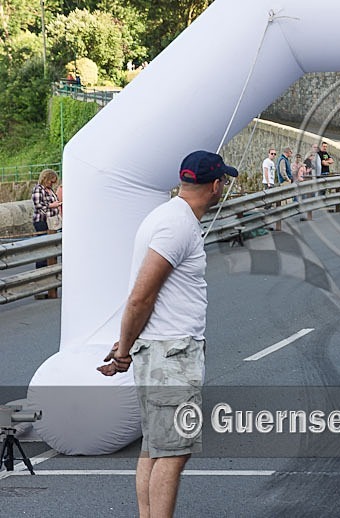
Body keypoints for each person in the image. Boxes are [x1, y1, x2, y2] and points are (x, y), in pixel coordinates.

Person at [97, 150, 238, 518]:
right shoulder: (178, 226)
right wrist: (124, 349)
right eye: (223, 181)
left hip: (160, 348)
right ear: (215, 185)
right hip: (171, 355)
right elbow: (141, 295)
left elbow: (146, 296)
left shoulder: (167, 215)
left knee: (155, 448)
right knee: (173, 454)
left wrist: (129, 342)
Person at [31, 169, 62, 265]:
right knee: (43, 247)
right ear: (45, 179)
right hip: (42, 220)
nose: (52, 183)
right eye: (51, 181)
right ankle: (41, 268)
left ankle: (50, 267)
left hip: (52, 221)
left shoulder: (50, 189)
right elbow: (38, 205)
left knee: (52, 246)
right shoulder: (38, 189)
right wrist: (52, 205)